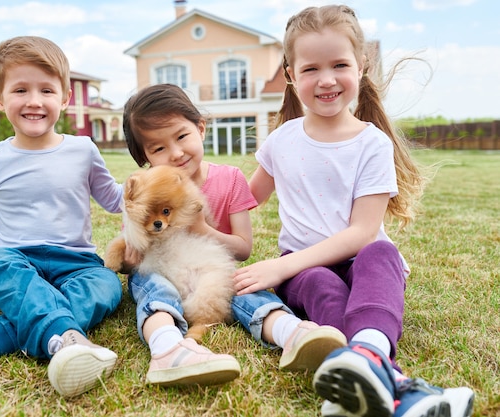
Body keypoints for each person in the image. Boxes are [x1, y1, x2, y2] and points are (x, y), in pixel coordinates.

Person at [233, 5, 475, 417]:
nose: (326, 79)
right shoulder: (281, 141)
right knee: (319, 282)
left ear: (361, 67)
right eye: (310, 69)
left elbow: (363, 233)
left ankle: (366, 357)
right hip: (304, 269)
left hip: (360, 259)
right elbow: (246, 198)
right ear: (291, 75)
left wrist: (277, 269)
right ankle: (398, 386)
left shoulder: (372, 144)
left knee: (383, 253)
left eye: (339, 65)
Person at [0, 36, 123, 399]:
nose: (34, 101)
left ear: (64, 98)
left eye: (46, 90)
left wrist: (152, 188)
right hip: (19, 260)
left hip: (78, 264)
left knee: (108, 286)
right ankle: (67, 340)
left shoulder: (83, 150)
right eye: (20, 90)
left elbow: (115, 200)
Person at [120, 83, 347, 387]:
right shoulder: (144, 189)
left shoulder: (230, 179)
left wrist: (203, 229)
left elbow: (242, 249)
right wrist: (128, 256)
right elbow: (132, 251)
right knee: (150, 285)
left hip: (211, 274)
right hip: (162, 270)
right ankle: (167, 348)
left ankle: (289, 332)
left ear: (200, 128)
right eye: (158, 148)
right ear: (143, 156)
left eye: (181, 136)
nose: (175, 153)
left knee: (247, 286)